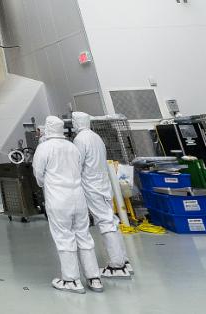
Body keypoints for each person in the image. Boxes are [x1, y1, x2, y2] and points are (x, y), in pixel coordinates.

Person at [32, 116, 104, 294]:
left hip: (58, 200)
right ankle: (94, 278)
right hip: (78, 198)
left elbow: (38, 175)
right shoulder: (72, 147)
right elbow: (79, 168)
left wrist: (47, 183)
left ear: (47, 129)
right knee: (84, 237)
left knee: (64, 237)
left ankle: (71, 280)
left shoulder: (44, 148)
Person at [71, 111, 134, 278]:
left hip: (92, 184)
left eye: (74, 121)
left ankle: (117, 266)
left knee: (105, 222)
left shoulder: (80, 139)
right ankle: (123, 260)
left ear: (77, 123)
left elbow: (77, 163)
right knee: (111, 220)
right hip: (104, 183)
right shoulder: (96, 137)